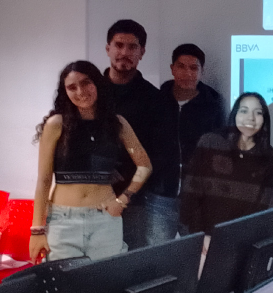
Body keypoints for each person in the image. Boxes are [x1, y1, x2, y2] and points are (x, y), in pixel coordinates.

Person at [29, 61, 152, 263]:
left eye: (86, 83)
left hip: (105, 220)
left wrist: (123, 200)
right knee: (66, 281)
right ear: (65, 92)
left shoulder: (117, 124)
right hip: (63, 221)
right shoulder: (56, 125)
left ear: (97, 84)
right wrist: (37, 230)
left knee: (106, 280)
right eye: (72, 87)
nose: (80, 91)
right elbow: (43, 180)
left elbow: (144, 165)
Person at [180, 92, 273, 240]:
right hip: (204, 237)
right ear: (235, 114)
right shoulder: (211, 142)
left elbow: (263, 204)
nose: (251, 118)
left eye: (258, 113)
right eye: (244, 111)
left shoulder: (267, 154)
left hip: (242, 240)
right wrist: (200, 236)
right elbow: (190, 195)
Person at [104, 19, 164, 249]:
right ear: (108, 48)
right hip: (90, 196)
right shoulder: (91, 93)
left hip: (134, 201)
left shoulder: (155, 99)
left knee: (131, 262)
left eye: (132, 47)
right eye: (119, 45)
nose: (124, 53)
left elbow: (158, 153)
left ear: (142, 52)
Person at [160, 44, 224, 240]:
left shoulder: (213, 104)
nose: (187, 73)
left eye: (194, 68)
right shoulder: (158, 99)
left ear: (202, 71)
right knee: (157, 252)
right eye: (181, 66)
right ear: (172, 69)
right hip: (161, 195)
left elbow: (220, 150)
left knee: (196, 252)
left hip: (198, 197)